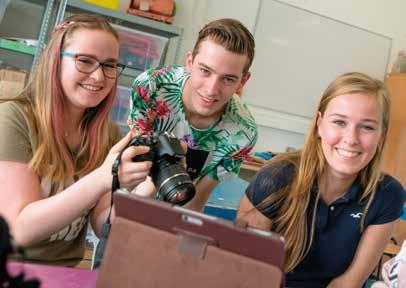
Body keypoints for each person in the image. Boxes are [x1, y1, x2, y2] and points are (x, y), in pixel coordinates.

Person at [0, 14, 152, 266]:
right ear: (55, 61)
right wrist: (104, 177)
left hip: (64, 274)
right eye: (85, 61)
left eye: (109, 65)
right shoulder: (13, 119)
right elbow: (18, 229)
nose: (99, 77)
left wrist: (147, 186)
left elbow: (103, 224)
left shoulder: (107, 135)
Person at [237, 72, 406, 288]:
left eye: (367, 127)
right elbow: (245, 271)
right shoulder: (275, 177)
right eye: (339, 122)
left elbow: (348, 282)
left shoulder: (387, 194)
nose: (351, 139)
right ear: (319, 124)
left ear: (382, 134)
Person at [128, 18, 258, 211]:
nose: (212, 89)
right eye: (205, 71)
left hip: (178, 210)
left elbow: (197, 200)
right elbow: (133, 171)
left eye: (228, 79)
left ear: (243, 81)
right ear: (189, 62)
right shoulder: (150, 88)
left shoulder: (243, 133)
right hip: (133, 193)